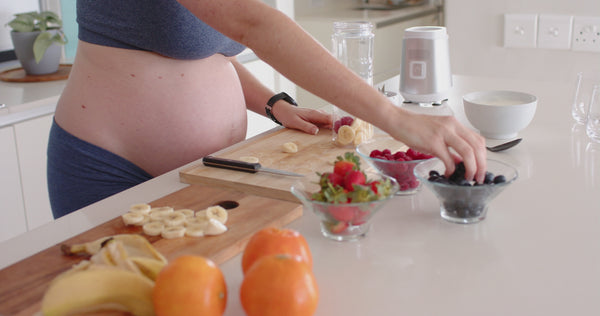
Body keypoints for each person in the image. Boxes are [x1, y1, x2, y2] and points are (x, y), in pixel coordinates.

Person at [47, 0, 486, 219]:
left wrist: (273, 103)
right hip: (112, 172)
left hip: (211, 169)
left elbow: (211, 48)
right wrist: (395, 118)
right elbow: (253, 24)